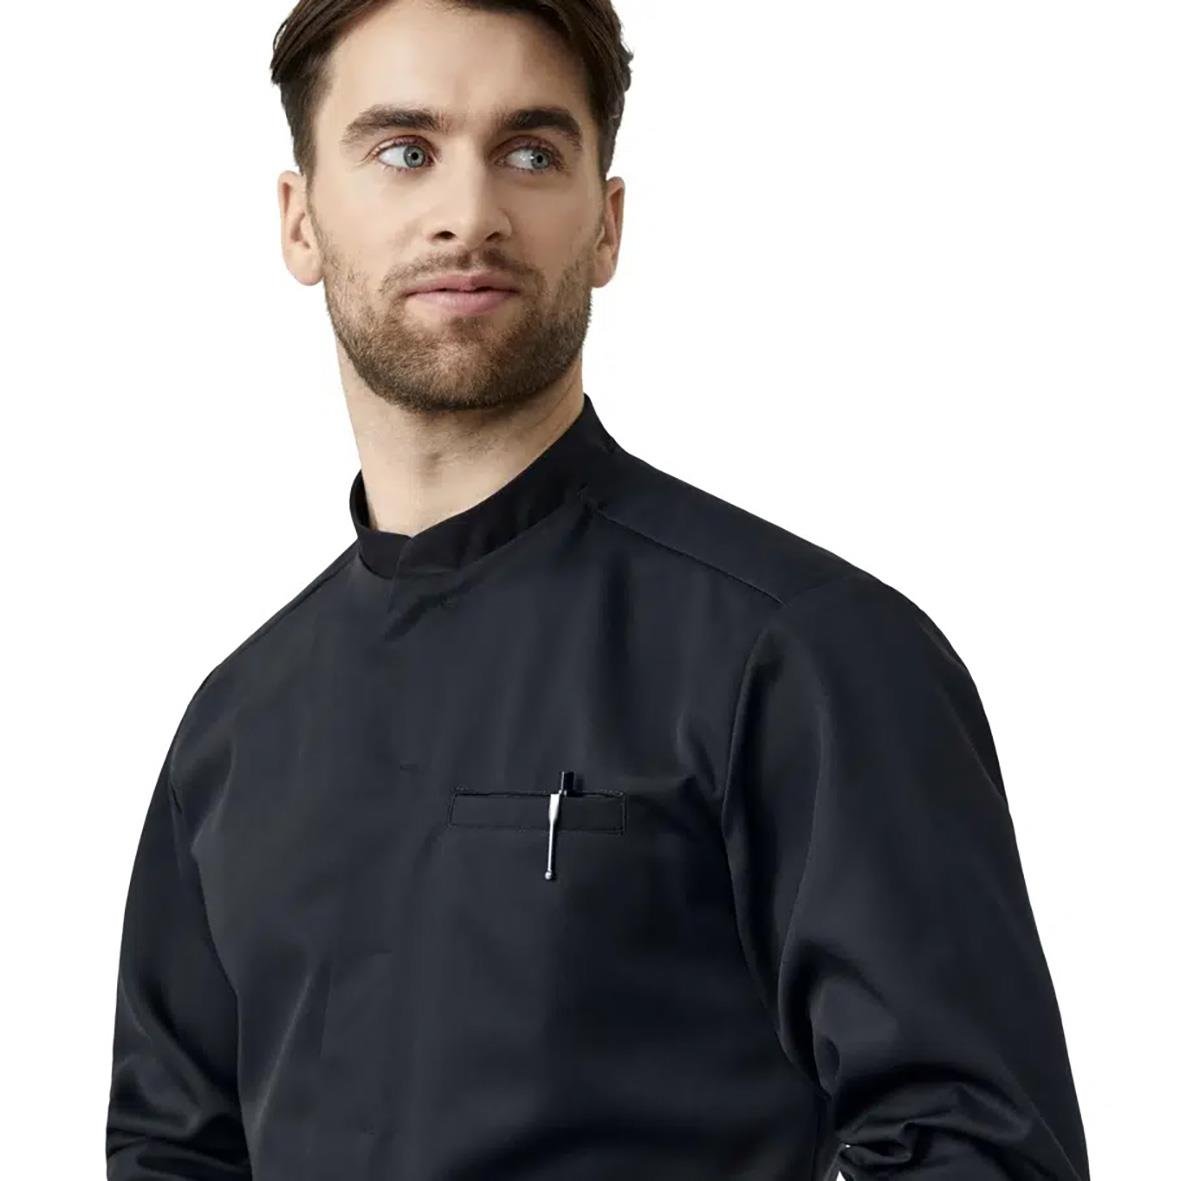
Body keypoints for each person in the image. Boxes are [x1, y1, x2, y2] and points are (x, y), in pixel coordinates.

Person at [105, 1, 1090, 1178]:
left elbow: (974, 1143)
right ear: (299, 220)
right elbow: (173, 1151)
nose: (469, 213)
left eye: (529, 152)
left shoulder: (801, 654)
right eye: (403, 150)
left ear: (606, 224)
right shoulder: (230, 730)